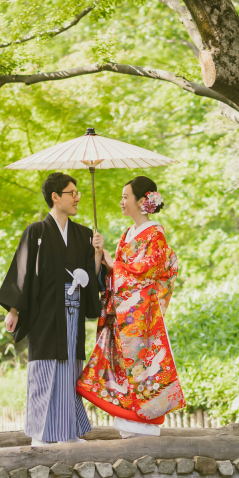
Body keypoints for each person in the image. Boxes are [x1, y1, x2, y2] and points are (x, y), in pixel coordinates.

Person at [0, 172, 103, 446]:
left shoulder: (83, 234)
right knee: (45, 371)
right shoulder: (38, 232)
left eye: (78, 192)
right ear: (55, 197)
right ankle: (41, 435)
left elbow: (91, 276)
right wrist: (14, 310)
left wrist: (97, 255)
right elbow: (22, 271)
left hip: (74, 311)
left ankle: (69, 433)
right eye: (71, 193)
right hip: (46, 314)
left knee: (70, 371)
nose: (77, 197)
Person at [77, 176, 184, 438]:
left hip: (143, 318)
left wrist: (115, 265)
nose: (122, 202)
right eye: (122, 197)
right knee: (122, 367)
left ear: (142, 201)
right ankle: (128, 421)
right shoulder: (128, 233)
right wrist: (100, 255)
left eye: (126, 197)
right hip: (123, 314)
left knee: (142, 368)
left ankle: (143, 423)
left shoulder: (155, 234)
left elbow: (145, 273)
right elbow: (117, 274)